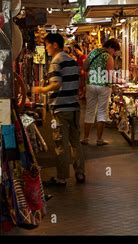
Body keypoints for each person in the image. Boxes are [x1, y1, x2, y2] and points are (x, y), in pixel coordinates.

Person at [32, 33, 85, 186]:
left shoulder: (56, 61)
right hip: (74, 107)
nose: (46, 48)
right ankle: (80, 173)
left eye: (47, 45)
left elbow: (56, 84)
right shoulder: (73, 61)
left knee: (61, 143)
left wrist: (40, 90)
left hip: (61, 109)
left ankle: (62, 177)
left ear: (55, 45)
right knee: (76, 142)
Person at [81, 38, 121, 146]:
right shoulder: (108, 57)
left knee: (89, 111)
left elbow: (84, 67)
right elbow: (109, 76)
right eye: (115, 50)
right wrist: (119, 81)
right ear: (111, 48)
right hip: (103, 86)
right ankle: (99, 139)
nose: (114, 53)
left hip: (91, 84)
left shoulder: (93, 52)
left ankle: (85, 138)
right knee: (102, 112)